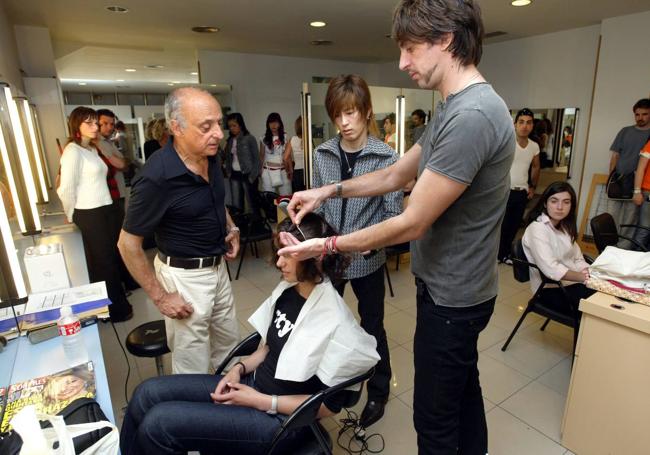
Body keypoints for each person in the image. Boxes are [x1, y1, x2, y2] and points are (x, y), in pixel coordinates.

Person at [279, 1, 515, 453]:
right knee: (463, 396)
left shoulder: (472, 117)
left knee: (434, 417)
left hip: (454, 297)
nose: (402, 61)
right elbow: (395, 175)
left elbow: (412, 221)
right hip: (449, 288)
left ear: (445, 40)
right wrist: (326, 193)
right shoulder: (454, 108)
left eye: (409, 48)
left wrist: (325, 245)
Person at [119, 213, 380, 455]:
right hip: (251, 385)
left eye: (286, 256)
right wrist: (239, 369)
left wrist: (260, 401)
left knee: (159, 425)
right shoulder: (289, 291)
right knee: (146, 394)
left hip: (280, 420)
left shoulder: (335, 321)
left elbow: (326, 406)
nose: (278, 262)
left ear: (314, 256)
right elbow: (267, 348)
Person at [118, 87, 240, 374]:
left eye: (219, 123)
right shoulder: (155, 177)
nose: (219, 134)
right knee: (192, 362)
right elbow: (127, 245)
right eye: (206, 127)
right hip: (184, 278)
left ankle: (233, 408)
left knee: (230, 348)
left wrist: (231, 227)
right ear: (176, 127)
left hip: (218, 268)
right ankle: (196, 417)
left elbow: (214, 199)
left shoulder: (210, 156)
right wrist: (161, 297)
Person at [312, 74, 402, 428]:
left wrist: (367, 243)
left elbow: (393, 215)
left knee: (372, 326)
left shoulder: (386, 157)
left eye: (351, 113)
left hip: (367, 260)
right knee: (323, 322)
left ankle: (379, 390)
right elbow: (319, 206)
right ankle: (323, 385)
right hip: (329, 257)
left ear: (366, 112)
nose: (345, 123)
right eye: (338, 115)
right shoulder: (323, 153)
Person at [57, 107, 133, 322]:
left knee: (107, 259)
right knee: (104, 262)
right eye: (89, 123)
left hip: (104, 208)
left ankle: (110, 308)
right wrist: (70, 214)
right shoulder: (72, 150)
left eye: (95, 123)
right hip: (88, 212)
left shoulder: (90, 149)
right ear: (76, 126)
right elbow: (66, 188)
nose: (95, 127)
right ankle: (116, 310)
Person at [522, 181, 595, 313]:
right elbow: (552, 270)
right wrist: (585, 278)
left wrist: (589, 272)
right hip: (550, 290)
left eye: (566, 202)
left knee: (607, 297)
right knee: (599, 307)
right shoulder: (537, 229)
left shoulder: (564, 227)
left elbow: (577, 258)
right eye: (554, 201)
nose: (560, 207)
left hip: (572, 283)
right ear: (545, 203)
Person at [96, 108, 140, 292]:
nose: (108, 127)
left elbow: (125, 162)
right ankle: (124, 281)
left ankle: (126, 279)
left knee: (120, 240)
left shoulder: (108, 142)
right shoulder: (97, 144)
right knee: (117, 242)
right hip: (108, 199)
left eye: (111, 124)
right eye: (104, 123)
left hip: (118, 194)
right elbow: (122, 164)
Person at [498, 108, 541, 264]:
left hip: (521, 192)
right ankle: (497, 254)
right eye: (521, 122)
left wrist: (533, 186)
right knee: (501, 225)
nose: (525, 126)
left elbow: (536, 166)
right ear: (515, 124)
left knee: (514, 225)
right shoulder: (506, 142)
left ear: (532, 126)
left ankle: (506, 253)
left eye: (529, 123)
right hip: (504, 191)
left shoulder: (534, 146)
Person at [607, 98, 650, 241]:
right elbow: (615, 156)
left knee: (629, 223)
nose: (640, 118)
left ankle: (623, 252)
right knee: (610, 218)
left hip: (637, 185)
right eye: (637, 114)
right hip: (618, 180)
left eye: (644, 114)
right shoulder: (625, 131)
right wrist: (611, 178)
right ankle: (607, 249)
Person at [224, 112, 262, 215]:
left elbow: (257, 160)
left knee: (253, 204)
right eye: (230, 126)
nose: (232, 128)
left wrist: (252, 177)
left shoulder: (249, 138)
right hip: (234, 175)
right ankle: (241, 226)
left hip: (248, 174)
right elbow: (228, 158)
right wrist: (228, 172)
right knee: (237, 204)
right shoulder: (230, 141)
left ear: (240, 124)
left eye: (234, 125)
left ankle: (257, 226)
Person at [259, 112, 292, 195]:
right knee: (268, 198)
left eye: (276, 122)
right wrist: (260, 171)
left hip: (283, 171)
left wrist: (290, 170)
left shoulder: (285, 137)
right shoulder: (263, 138)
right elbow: (261, 155)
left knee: (285, 198)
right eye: (271, 122)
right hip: (267, 171)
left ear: (280, 124)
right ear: (268, 124)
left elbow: (288, 156)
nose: (273, 125)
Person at [632, 139, 650, 250]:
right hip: (648, 191)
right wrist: (637, 191)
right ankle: (634, 260)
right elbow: (640, 168)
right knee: (645, 229)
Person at [284, 116, 306, 192]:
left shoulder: (293, 139)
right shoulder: (309, 138)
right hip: (309, 171)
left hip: (298, 172)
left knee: (299, 198)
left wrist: (288, 171)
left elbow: (285, 158)